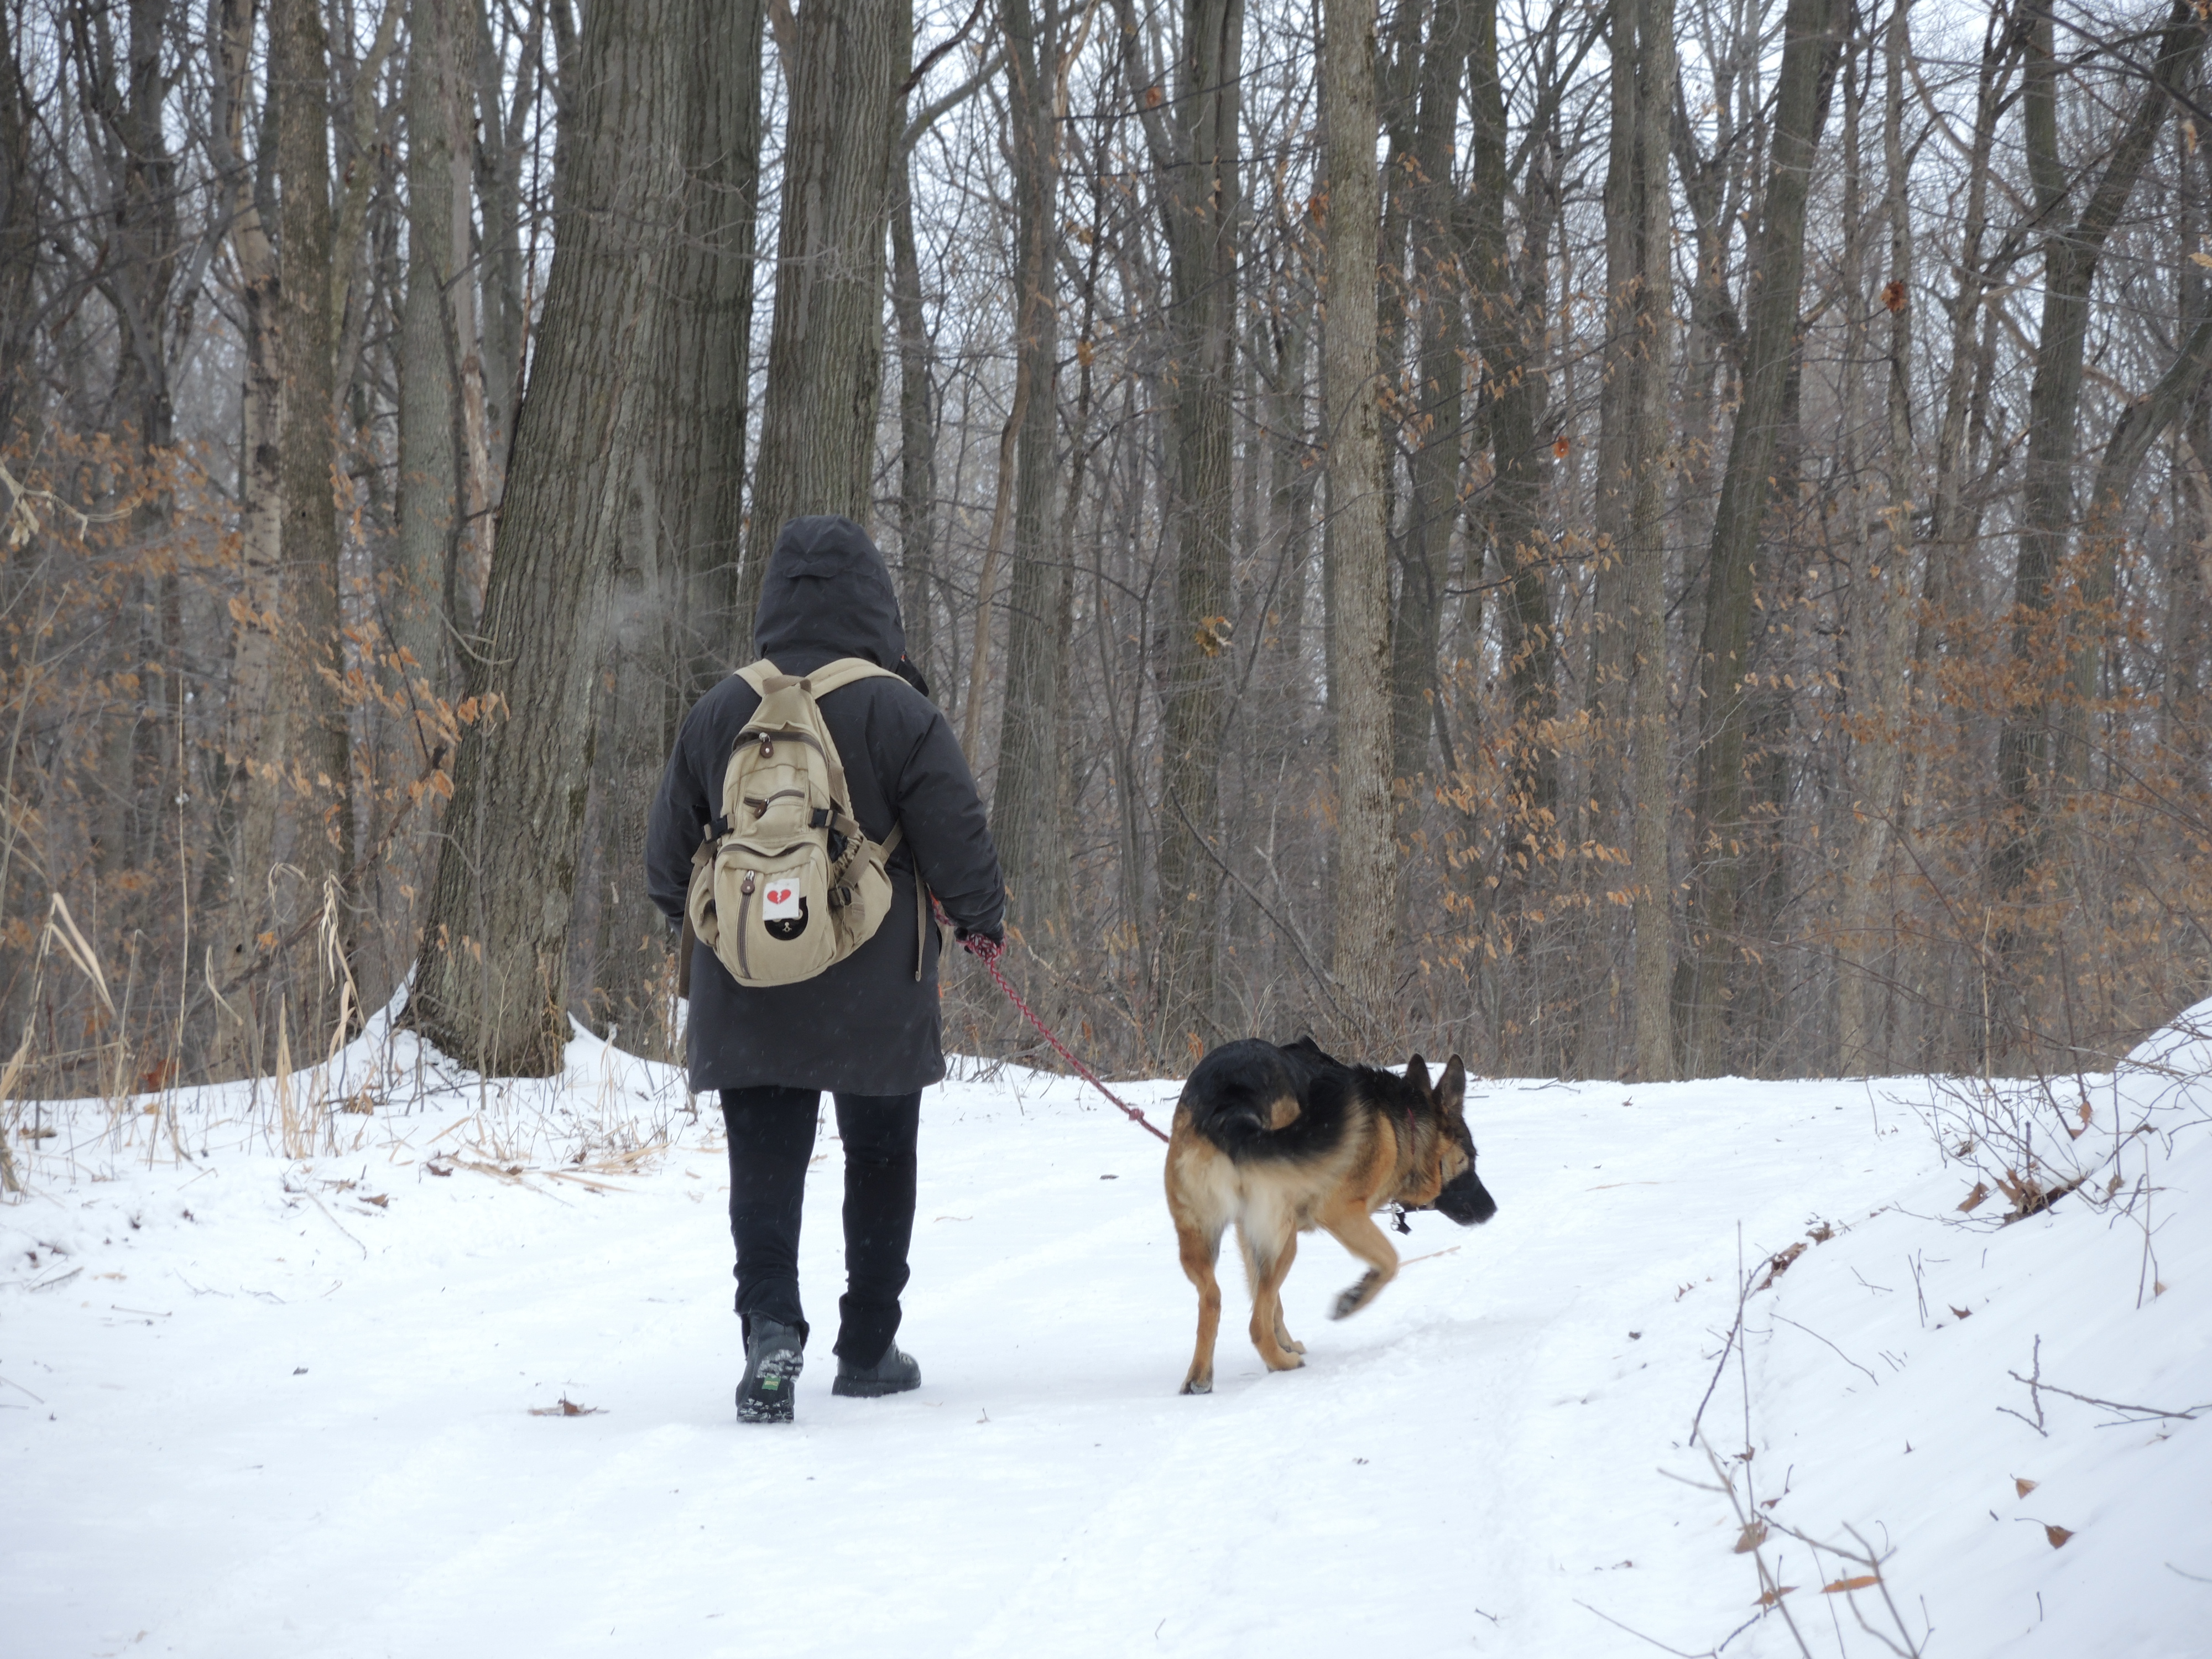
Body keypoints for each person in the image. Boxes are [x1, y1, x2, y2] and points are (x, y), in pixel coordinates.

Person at [646, 514, 1005, 1423]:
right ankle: (868, 1346)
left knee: (765, 1166)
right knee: (880, 1158)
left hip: (747, 990)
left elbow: (663, 863)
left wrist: (725, 935)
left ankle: (771, 1332)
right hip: (877, 992)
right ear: (873, 601)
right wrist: (981, 922)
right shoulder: (899, 709)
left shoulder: (722, 708)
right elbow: (958, 837)